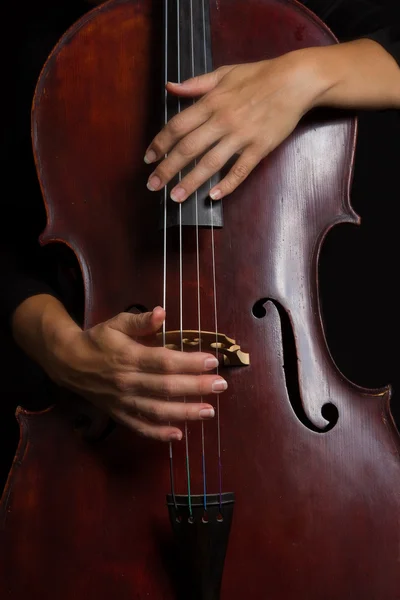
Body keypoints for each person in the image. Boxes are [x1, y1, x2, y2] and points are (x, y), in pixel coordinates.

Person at [1, 0, 399, 455]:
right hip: (99, 420)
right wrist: (63, 351)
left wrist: (300, 76)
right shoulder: (49, 35)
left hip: (333, 354)